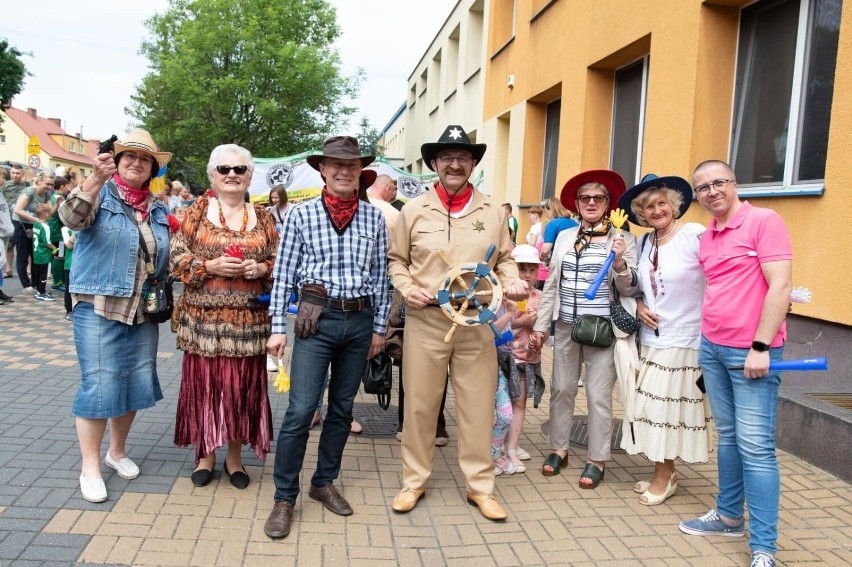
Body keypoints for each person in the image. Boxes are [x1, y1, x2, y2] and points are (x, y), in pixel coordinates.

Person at [387, 124, 528, 521]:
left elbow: (505, 259)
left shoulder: (491, 211)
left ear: (472, 163)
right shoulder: (413, 211)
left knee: (478, 406)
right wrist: (406, 287)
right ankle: (414, 481)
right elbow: (396, 261)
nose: (454, 163)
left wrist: (514, 279)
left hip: (475, 324)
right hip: (426, 321)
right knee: (419, 406)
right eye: (446, 157)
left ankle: (480, 487)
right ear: (434, 163)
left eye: (462, 157)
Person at [264, 136, 389, 539]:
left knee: (341, 409)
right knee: (301, 410)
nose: (342, 171)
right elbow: (283, 273)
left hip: (359, 322)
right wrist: (277, 329)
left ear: (359, 173)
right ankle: (285, 497)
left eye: (350, 166)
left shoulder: (374, 219)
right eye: (335, 164)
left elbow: (382, 279)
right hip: (315, 324)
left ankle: (323, 482)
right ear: (322, 169)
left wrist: (380, 328)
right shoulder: (300, 215)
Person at [678, 160, 792, 567]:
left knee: (757, 449)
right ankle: (728, 516)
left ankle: (764, 548)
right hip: (712, 347)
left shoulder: (764, 221)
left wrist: (761, 345)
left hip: (753, 353)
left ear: (735, 183)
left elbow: (781, 285)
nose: (711, 191)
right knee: (727, 436)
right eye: (702, 187)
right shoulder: (707, 235)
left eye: (718, 182)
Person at [59, 129, 172, 503]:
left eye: (144, 159)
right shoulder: (100, 194)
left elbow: (166, 254)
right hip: (99, 305)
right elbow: (71, 218)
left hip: (143, 309)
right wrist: (94, 178)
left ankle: (116, 452)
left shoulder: (158, 207)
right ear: (117, 161)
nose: (136, 162)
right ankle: (89, 466)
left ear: (153, 167)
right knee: (101, 383)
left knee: (135, 382)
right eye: (129, 157)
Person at [170, 144, 279, 489]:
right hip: (203, 325)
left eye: (239, 169)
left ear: (249, 176)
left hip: (247, 325)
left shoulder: (263, 217)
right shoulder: (197, 211)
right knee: (206, 387)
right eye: (224, 169)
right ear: (212, 176)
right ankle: (205, 454)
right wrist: (208, 265)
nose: (232, 174)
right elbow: (175, 258)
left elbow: (283, 262)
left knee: (239, 390)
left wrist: (261, 267)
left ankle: (234, 458)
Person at [529, 169, 638, 488]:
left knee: (598, 395)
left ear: (608, 204)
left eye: (598, 197)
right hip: (565, 325)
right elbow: (551, 284)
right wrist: (541, 326)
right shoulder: (564, 236)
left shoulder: (623, 239)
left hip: (602, 329)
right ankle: (559, 449)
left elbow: (631, 289)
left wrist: (619, 263)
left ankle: (597, 459)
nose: (591, 202)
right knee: (561, 387)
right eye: (585, 197)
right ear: (576, 204)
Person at [616, 173, 713, 505]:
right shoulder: (644, 243)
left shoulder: (694, 235)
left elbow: (720, 273)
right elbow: (640, 286)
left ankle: (664, 474)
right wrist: (640, 304)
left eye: (661, 203)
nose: (656, 210)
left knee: (663, 409)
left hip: (686, 339)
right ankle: (665, 470)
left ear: (673, 205)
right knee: (651, 408)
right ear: (641, 213)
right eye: (648, 206)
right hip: (652, 338)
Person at [503, 244, 546, 473]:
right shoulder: (505, 296)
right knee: (508, 404)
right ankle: (506, 447)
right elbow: (500, 328)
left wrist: (538, 338)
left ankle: (513, 444)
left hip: (529, 359)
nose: (527, 275)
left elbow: (544, 331)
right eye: (522, 269)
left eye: (531, 270)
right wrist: (523, 322)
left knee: (520, 403)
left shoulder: (540, 297)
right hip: (508, 358)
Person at [13, 170, 55, 294]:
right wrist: (37, 220)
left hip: (35, 225)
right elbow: (18, 210)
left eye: (51, 184)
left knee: (35, 254)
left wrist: (55, 206)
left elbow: (49, 212)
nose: (50, 187)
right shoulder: (29, 192)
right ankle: (26, 285)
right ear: (39, 181)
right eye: (47, 184)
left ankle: (36, 283)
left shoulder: (47, 194)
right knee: (23, 254)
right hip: (22, 224)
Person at [491, 302, 518, 476]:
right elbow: (489, 336)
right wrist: (509, 315)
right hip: (481, 367)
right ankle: (484, 458)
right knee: (480, 417)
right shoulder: (488, 301)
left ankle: (492, 452)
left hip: (502, 365)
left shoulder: (510, 302)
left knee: (506, 415)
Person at [3, 163, 28, 278]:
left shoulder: (26, 186)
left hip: (22, 219)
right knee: (9, 245)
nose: (15, 175)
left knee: (25, 245)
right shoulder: (5, 185)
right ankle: (8, 269)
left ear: (22, 173)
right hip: (8, 218)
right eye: (13, 173)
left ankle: (28, 269)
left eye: (18, 173)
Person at [31, 203, 58, 301]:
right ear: (46, 214)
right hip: (44, 255)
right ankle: (42, 293)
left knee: (38, 273)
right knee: (44, 274)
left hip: (36, 253)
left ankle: (39, 290)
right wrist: (54, 247)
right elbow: (47, 242)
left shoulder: (36, 224)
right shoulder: (45, 227)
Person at [539, 197, 578, 265]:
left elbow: (545, 250)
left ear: (550, 210)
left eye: (546, 211)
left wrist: (541, 255)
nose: (546, 215)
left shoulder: (553, 224)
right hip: (575, 259)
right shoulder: (574, 223)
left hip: (559, 261)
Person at [50, 176, 71, 292]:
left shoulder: (52, 197)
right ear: (62, 186)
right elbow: (62, 216)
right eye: (67, 186)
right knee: (59, 256)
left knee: (58, 255)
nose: (68, 189)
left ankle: (60, 280)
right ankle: (57, 281)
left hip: (55, 232)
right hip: (59, 233)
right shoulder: (59, 198)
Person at [61, 224, 75, 320]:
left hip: (83, 263)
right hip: (70, 264)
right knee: (69, 289)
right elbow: (68, 245)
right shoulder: (66, 229)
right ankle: (69, 310)